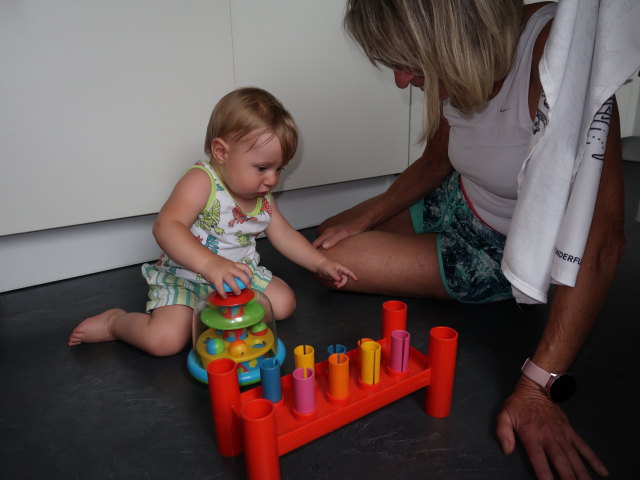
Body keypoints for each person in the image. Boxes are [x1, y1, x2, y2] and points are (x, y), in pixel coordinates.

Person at [313, 1, 624, 479]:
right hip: (457, 196)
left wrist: (536, 386)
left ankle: (495, 289)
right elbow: (439, 158)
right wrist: (366, 215)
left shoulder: (558, 56)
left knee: (337, 264)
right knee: (328, 240)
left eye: (404, 63)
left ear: (451, 38)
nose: (400, 81)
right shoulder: (462, 62)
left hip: (493, 248)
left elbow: (601, 235)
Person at [69, 87, 357, 356]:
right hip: (188, 277)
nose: (272, 179)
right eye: (262, 168)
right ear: (221, 152)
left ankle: (215, 318)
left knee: (283, 304)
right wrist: (209, 265)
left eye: (279, 169)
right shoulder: (202, 181)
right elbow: (166, 226)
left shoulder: (263, 197)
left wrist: (320, 263)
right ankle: (115, 323)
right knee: (164, 341)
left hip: (237, 276)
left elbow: (284, 236)